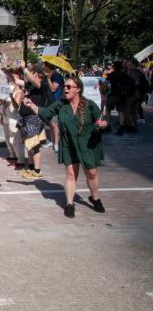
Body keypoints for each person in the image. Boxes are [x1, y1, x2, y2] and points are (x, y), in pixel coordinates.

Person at [23, 76, 108, 218]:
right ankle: (69, 204)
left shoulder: (89, 104)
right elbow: (44, 113)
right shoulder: (61, 104)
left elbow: (102, 118)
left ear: (78, 89)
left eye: (69, 87)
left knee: (91, 173)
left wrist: (104, 123)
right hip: (69, 143)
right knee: (70, 174)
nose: (66, 89)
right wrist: (31, 104)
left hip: (87, 143)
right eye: (65, 86)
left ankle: (95, 198)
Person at [17, 63, 50, 179]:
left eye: (33, 73)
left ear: (38, 74)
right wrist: (7, 70)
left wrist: (24, 69)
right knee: (29, 145)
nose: (30, 75)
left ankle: (37, 170)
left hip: (34, 118)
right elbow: (17, 81)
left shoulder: (43, 84)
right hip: (26, 118)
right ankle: (31, 168)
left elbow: (35, 82)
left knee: (34, 146)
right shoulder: (30, 85)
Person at [1, 69, 26, 169]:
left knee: (15, 139)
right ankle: (13, 155)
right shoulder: (9, 90)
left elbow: (16, 107)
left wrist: (11, 97)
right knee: (7, 138)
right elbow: (6, 105)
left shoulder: (19, 92)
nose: (10, 81)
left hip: (14, 118)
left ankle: (20, 160)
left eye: (12, 79)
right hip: (7, 116)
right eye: (9, 79)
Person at [44, 62, 64, 152]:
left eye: (45, 66)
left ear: (49, 67)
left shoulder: (58, 77)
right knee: (50, 124)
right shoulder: (49, 76)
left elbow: (53, 89)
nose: (43, 68)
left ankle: (56, 143)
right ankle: (52, 142)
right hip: (48, 102)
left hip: (56, 102)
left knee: (54, 124)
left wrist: (48, 79)